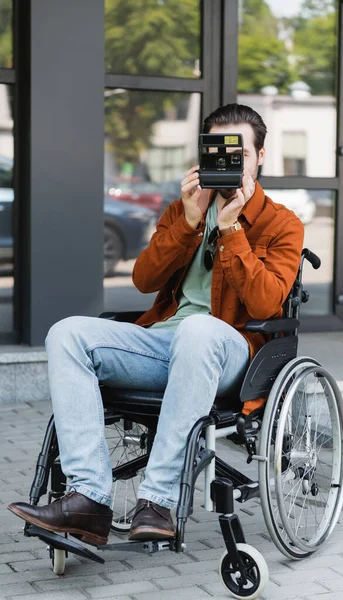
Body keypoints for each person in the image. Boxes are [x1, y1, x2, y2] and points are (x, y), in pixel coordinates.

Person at [8, 103, 304, 545]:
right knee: (66, 332)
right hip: (164, 346)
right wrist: (187, 223)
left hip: (231, 353)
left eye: (238, 154)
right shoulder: (183, 209)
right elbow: (144, 279)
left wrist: (231, 231)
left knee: (198, 330)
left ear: (260, 157)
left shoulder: (281, 223)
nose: (227, 164)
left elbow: (266, 300)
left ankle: (158, 501)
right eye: (216, 153)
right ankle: (88, 499)